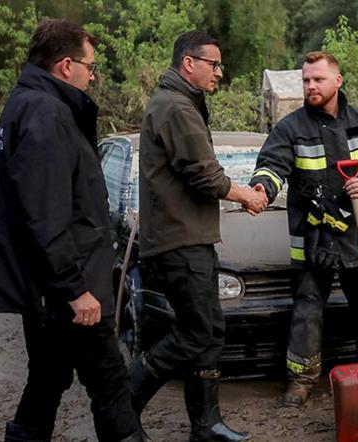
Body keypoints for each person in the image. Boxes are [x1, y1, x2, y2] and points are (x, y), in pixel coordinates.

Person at [0, 19, 143, 442]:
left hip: (45, 287)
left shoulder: (26, 103)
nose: (93, 76)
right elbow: (44, 213)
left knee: (48, 379)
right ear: (66, 65)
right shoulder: (47, 113)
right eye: (90, 66)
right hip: (68, 291)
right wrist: (75, 289)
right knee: (110, 383)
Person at [129, 30, 264, 442]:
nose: (219, 73)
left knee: (209, 329)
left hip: (188, 237)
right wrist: (245, 195)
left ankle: (206, 425)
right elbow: (203, 175)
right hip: (179, 240)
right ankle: (120, 405)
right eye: (214, 64)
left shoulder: (180, 102)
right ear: (189, 63)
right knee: (197, 332)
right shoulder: (175, 106)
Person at [249, 51, 358, 406]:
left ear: (338, 81)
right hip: (313, 238)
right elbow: (272, 165)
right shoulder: (290, 128)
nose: (310, 86)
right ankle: (301, 381)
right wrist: (261, 189)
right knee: (307, 310)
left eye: (317, 79)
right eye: (306, 80)